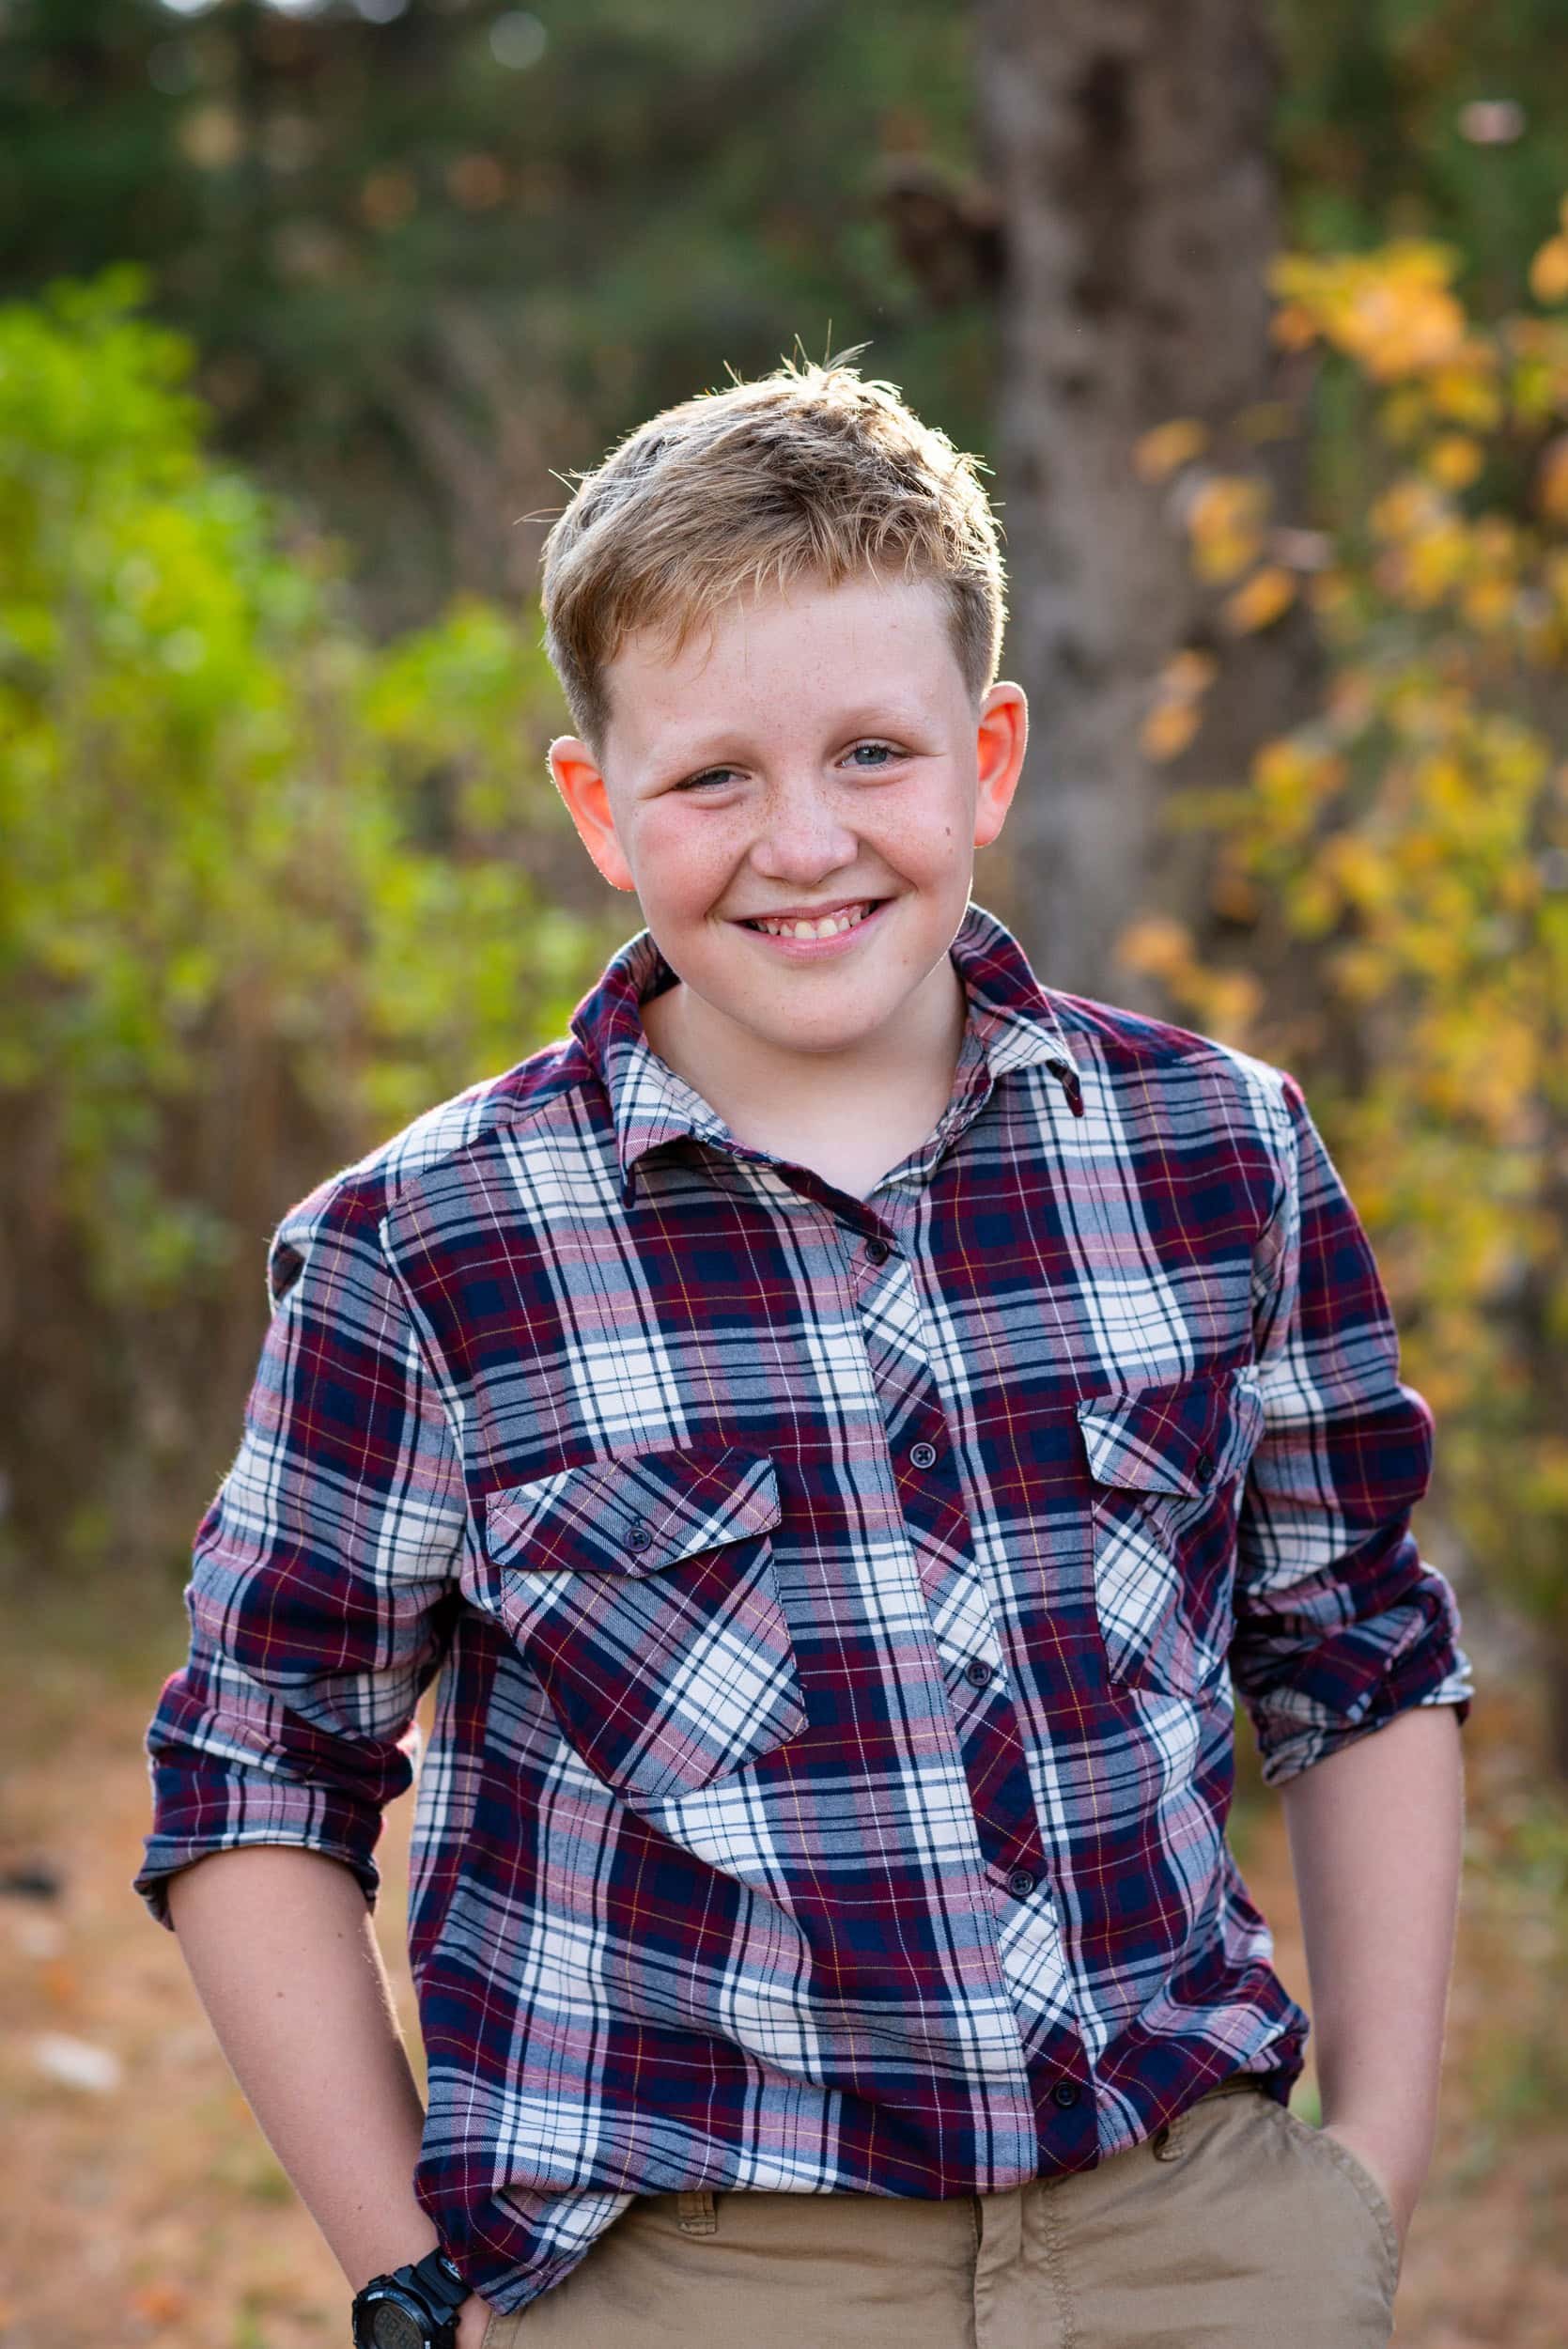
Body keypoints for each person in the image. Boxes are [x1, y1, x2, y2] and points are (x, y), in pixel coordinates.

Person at [134, 353, 1473, 2349]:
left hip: (1198, 2236)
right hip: (698, 2263)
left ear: (988, 756)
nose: (803, 841)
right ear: (599, 804)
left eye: (872, 752)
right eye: (710, 778)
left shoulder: (1218, 1150)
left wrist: (1366, 2157)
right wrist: (419, 2280)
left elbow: (1350, 1639)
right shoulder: (429, 1249)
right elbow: (257, 1761)